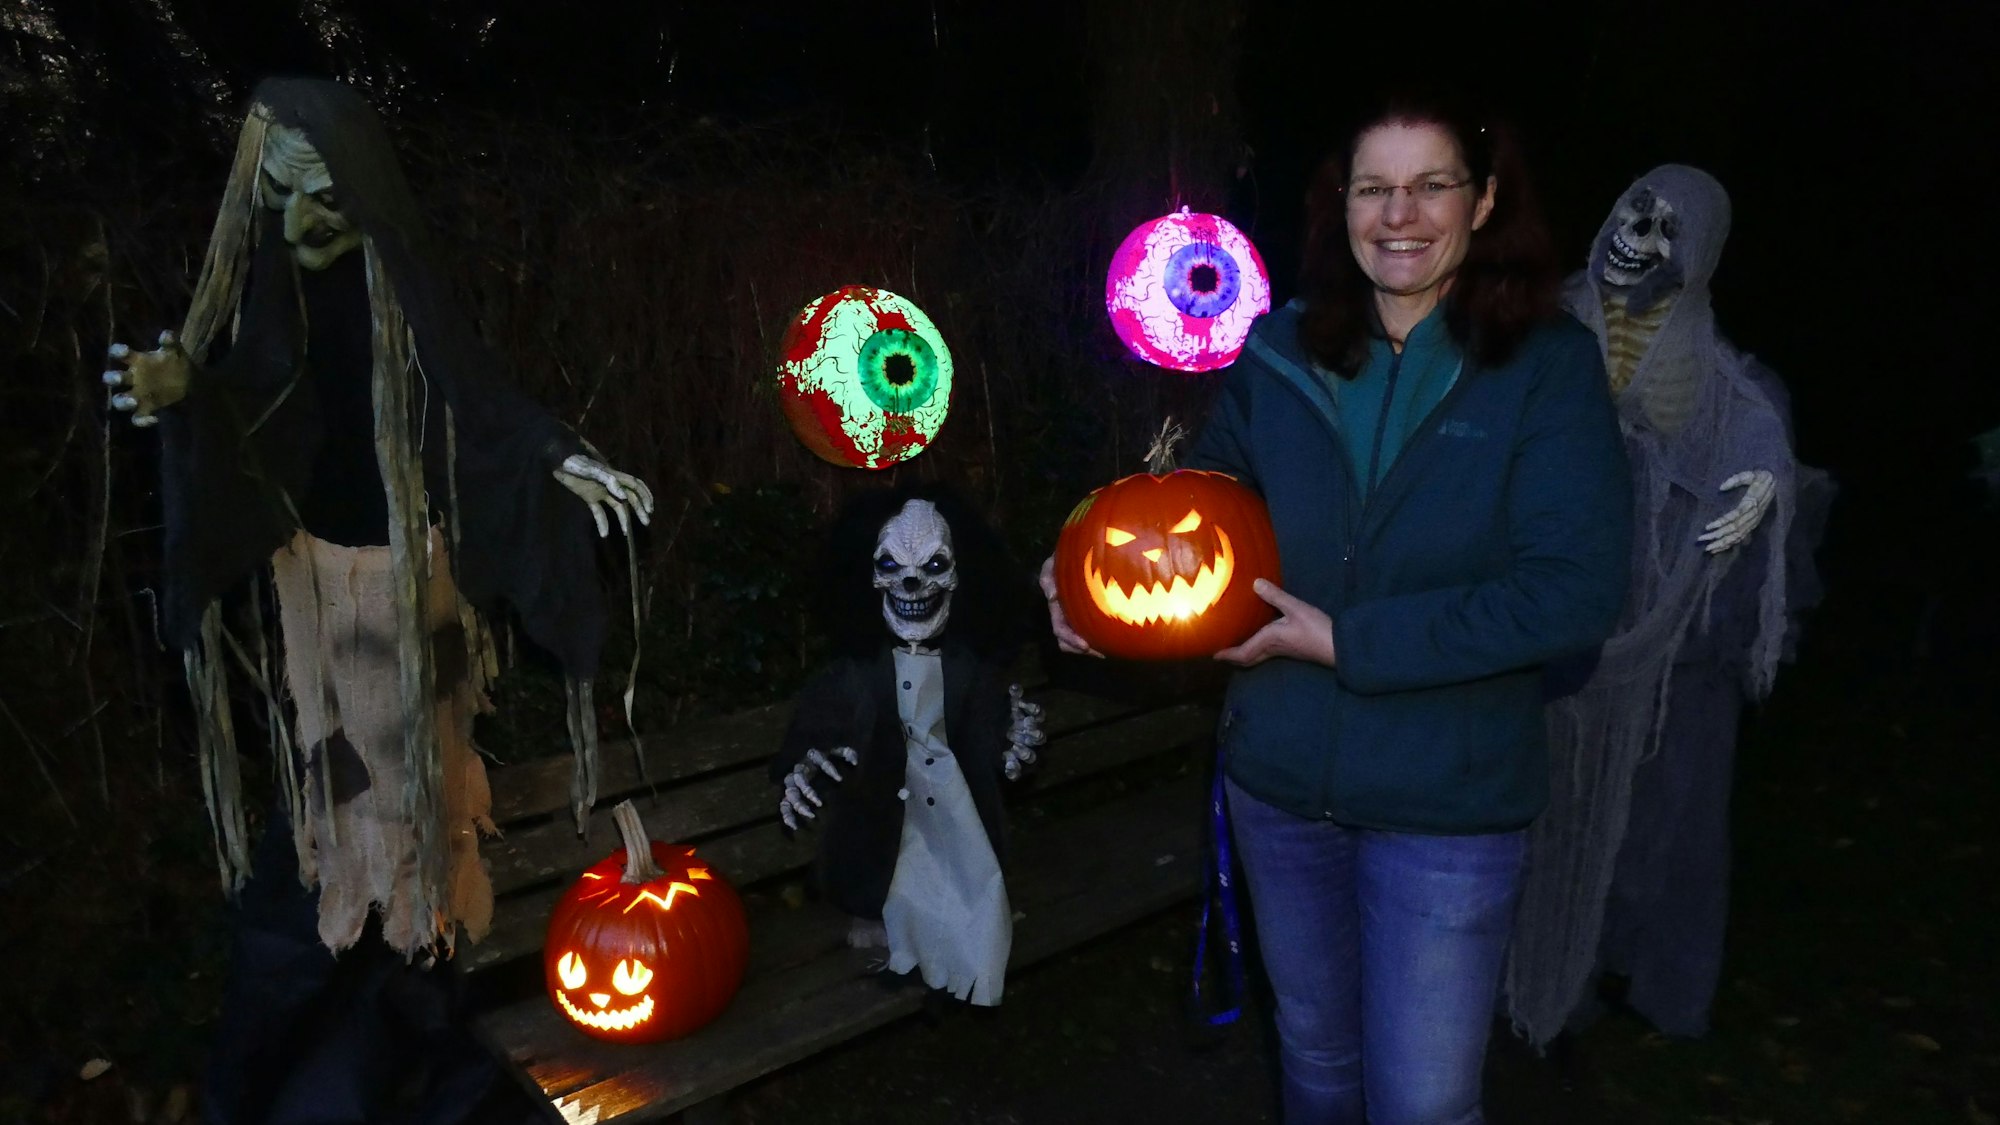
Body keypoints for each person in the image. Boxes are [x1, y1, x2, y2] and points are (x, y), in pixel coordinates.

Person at [1043, 93, 1631, 1123]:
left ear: (1482, 201)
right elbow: (1199, 510)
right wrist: (1079, 576)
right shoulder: (1280, 353)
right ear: (1340, 207)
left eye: (1429, 185)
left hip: (1442, 804)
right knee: (1314, 1069)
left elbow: (1570, 594)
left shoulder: (1544, 370)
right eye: (1372, 188)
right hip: (1278, 787)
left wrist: (1345, 640)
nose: (1397, 214)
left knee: (1422, 1102)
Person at [102, 78, 650, 1124]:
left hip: (418, 583)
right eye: (280, 193)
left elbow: (468, 390)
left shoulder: (400, 284)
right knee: (327, 833)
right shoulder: (269, 289)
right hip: (322, 589)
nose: (301, 220)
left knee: (419, 821)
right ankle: (277, 1082)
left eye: (326, 197)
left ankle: (409, 1053)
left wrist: (554, 454)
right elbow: (251, 404)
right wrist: (184, 393)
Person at [1505, 166, 1832, 1047]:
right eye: (1633, 212)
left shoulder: (1736, 394)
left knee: (1665, 827)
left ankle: (1641, 983)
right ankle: (1535, 981)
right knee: (1542, 812)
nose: (1640, 237)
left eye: (1668, 227)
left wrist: (1745, 620)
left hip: (1677, 649)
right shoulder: (1533, 344)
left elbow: (1769, 528)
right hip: (1550, 638)